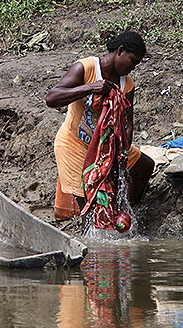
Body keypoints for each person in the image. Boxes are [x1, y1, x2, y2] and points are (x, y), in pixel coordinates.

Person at [46, 31, 155, 220]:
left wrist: (121, 153)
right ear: (120, 51)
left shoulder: (126, 84)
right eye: (132, 61)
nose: (132, 68)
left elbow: (127, 123)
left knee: (145, 166)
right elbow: (52, 97)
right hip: (74, 145)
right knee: (90, 208)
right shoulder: (86, 68)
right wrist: (90, 87)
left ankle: (127, 212)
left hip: (106, 146)